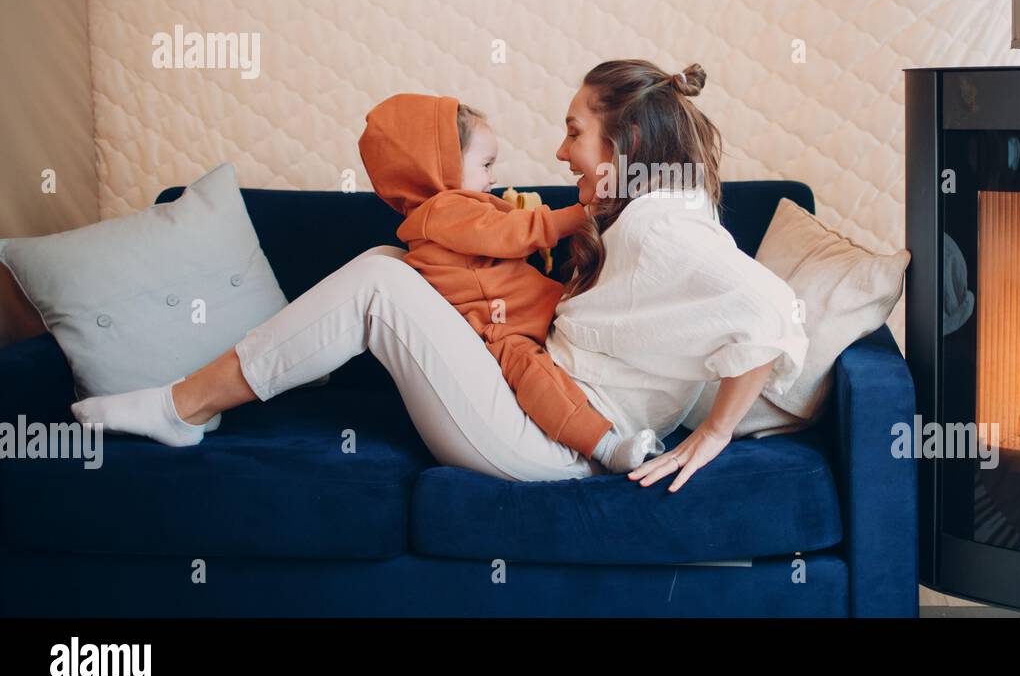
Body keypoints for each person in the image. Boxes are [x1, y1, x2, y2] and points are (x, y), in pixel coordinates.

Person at [71, 60, 808, 493]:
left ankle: (183, 406)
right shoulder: (647, 212)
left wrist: (714, 434)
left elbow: (770, 308)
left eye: (575, 131)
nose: (560, 152)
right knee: (393, 265)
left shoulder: (663, 223)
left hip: (557, 441)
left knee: (380, 280)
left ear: (631, 141)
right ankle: (187, 406)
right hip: (543, 408)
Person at [356, 91, 663, 473]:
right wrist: (583, 213)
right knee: (537, 379)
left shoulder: (456, 211)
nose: (493, 177)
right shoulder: (443, 210)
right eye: (485, 164)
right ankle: (605, 445)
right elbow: (517, 232)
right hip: (499, 331)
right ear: (441, 166)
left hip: (527, 310)